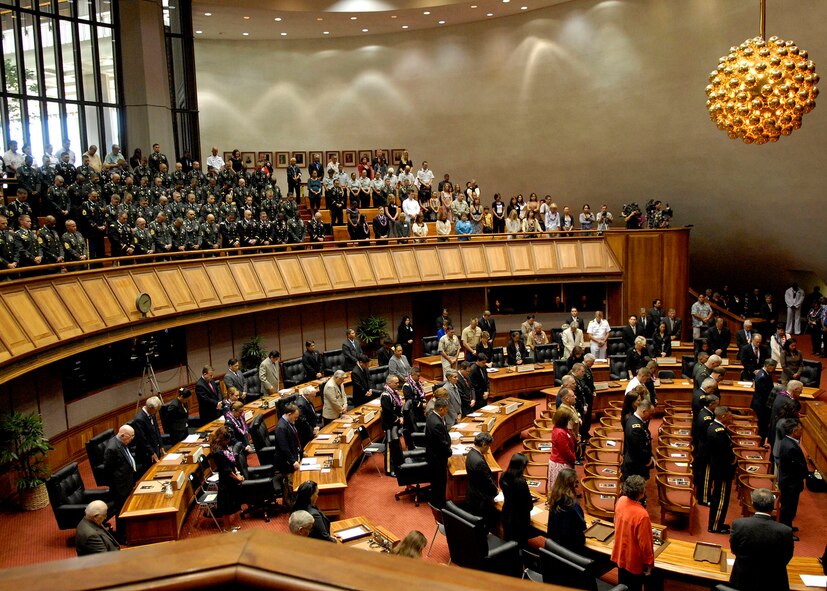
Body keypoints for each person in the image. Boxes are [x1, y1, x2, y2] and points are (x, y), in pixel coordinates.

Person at [729, 488, 795, 591]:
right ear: (773, 506)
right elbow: (787, 557)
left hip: (743, 581)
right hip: (773, 583)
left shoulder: (739, 524)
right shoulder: (785, 531)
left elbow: (734, 549)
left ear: (753, 504)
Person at [611, 475, 655, 591]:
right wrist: (649, 563)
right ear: (641, 493)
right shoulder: (642, 515)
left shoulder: (620, 501)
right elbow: (645, 544)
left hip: (621, 554)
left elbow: (615, 523)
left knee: (622, 586)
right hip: (633, 561)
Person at [777, 418, 808, 536]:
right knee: (788, 508)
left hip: (788, 480)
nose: (802, 431)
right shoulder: (791, 447)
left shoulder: (786, 441)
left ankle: (788, 525)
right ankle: (786, 531)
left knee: (790, 507)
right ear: (794, 431)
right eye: (800, 429)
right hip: (790, 482)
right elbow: (797, 467)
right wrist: (806, 475)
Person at [103, 425, 136, 536]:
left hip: (127, 481)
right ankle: (122, 535)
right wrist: (118, 486)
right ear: (122, 435)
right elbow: (108, 470)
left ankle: (128, 531)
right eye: (130, 436)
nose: (132, 439)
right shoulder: (112, 448)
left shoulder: (122, 442)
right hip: (120, 487)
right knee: (121, 511)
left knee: (126, 509)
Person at [707, 405, 736, 534]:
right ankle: (715, 526)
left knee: (719, 497)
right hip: (722, 471)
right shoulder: (719, 432)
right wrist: (733, 460)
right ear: (723, 416)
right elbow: (724, 452)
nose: (732, 418)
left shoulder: (715, 427)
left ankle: (718, 522)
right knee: (720, 499)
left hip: (719, 468)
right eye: (730, 415)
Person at [209, 425, 244, 531]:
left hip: (230, 479)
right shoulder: (217, 452)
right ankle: (227, 528)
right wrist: (237, 478)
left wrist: (237, 472)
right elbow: (226, 469)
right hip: (225, 481)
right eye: (227, 440)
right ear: (222, 439)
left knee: (230, 503)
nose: (229, 442)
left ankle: (230, 526)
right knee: (226, 505)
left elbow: (232, 462)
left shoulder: (224, 447)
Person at [546, 468, 586, 551]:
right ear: (571, 484)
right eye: (576, 482)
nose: (577, 486)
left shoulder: (554, 498)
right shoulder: (573, 504)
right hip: (571, 548)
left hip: (554, 546)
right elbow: (582, 526)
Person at [465, 432, 498, 528]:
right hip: (480, 498)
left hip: (472, 493)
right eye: (488, 446)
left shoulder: (471, 453)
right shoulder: (479, 462)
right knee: (483, 524)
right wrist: (495, 491)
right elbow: (486, 481)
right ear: (483, 444)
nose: (489, 449)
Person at [500, 453, 533, 546]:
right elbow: (529, 505)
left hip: (507, 513)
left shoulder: (503, 476)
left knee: (508, 540)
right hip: (519, 519)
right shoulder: (521, 482)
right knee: (521, 543)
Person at [425, 397, 452, 508]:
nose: (447, 411)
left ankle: (436, 500)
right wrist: (450, 451)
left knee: (437, 481)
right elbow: (441, 443)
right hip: (437, 457)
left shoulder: (432, 415)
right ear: (441, 409)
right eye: (446, 409)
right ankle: (439, 505)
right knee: (439, 481)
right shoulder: (436, 423)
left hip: (433, 454)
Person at [692, 393, 719, 505]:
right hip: (705, 451)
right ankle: (704, 499)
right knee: (706, 476)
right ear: (711, 404)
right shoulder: (706, 417)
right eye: (717, 404)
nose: (718, 406)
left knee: (703, 474)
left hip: (703, 448)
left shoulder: (705, 413)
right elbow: (709, 435)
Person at [274, 403, 302, 506]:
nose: (296, 419)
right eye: (295, 417)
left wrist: (301, 452)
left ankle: (290, 502)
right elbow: (284, 447)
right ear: (289, 414)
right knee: (290, 483)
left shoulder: (289, 423)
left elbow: (294, 440)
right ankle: (291, 504)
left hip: (291, 457)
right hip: (285, 461)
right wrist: (293, 461)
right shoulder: (281, 427)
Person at [622, 400, 654, 481]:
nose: (651, 417)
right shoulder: (636, 428)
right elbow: (639, 450)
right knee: (636, 490)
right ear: (644, 411)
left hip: (635, 464)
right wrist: (649, 462)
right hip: (635, 467)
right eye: (650, 414)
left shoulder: (633, 419)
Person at [131, 396, 163, 475]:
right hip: (146, 453)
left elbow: (157, 429)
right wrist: (152, 452)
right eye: (156, 410)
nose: (157, 412)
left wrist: (161, 445)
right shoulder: (139, 419)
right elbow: (142, 439)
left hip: (155, 447)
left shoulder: (152, 413)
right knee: (150, 474)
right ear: (151, 408)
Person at [547, 409, 576, 491]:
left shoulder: (561, 429)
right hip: (560, 464)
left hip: (563, 462)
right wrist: (573, 458)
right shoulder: (560, 432)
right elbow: (565, 451)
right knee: (560, 490)